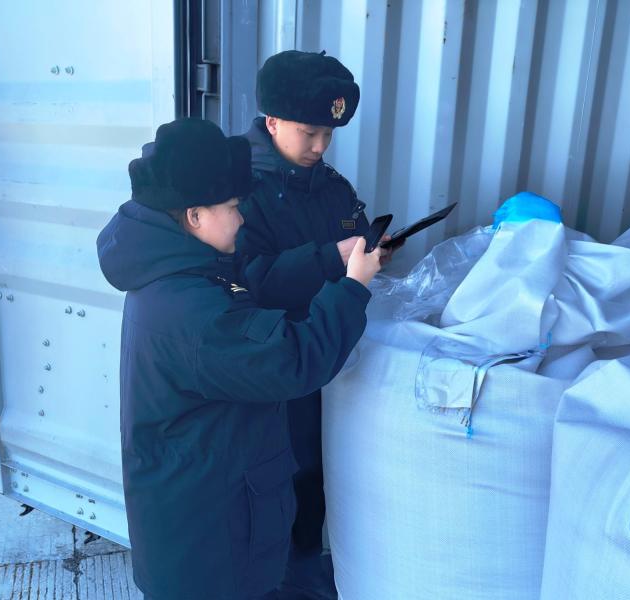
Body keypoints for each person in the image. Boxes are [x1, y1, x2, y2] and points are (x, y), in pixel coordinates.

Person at [96, 118, 381, 600]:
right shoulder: (193, 310)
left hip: (201, 524)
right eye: (232, 207)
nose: (243, 219)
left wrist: (332, 258)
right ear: (194, 216)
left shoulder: (177, 272)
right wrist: (353, 288)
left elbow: (252, 284)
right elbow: (292, 362)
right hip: (211, 550)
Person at [235, 50, 383, 599]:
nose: (320, 146)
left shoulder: (331, 185)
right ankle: (276, 582)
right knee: (280, 478)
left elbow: (353, 229)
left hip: (328, 354)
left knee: (322, 472)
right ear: (272, 121)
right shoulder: (239, 192)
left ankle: (304, 571)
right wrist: (327, 259)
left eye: (329, 134)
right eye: (310, 132)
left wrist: (371, 250)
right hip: (275, 364)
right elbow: (244, 282)